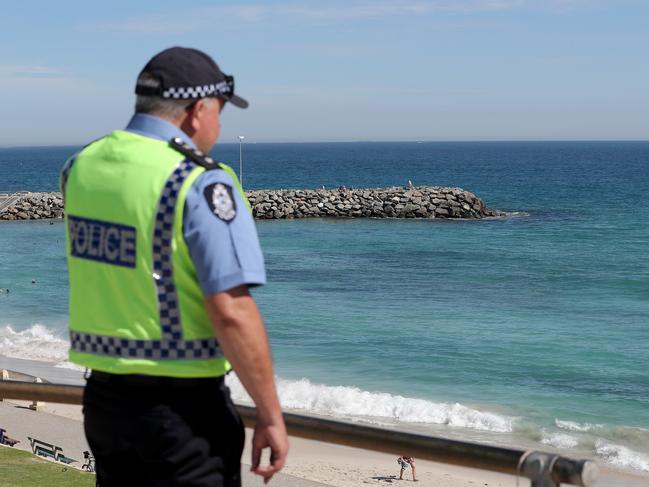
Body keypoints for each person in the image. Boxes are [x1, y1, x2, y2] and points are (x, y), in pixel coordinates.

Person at [61, 47, 288, 486]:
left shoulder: (80, 167)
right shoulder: (200, 180)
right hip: (183, 415)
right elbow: (231, 311)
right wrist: (270, 413)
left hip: (104, 403)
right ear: (197, 111)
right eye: (220, 113)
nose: (219, 128)